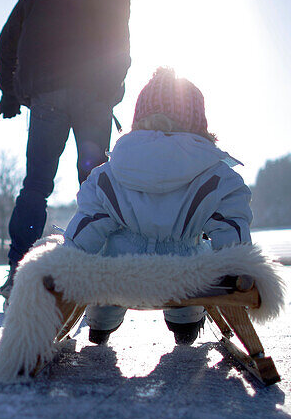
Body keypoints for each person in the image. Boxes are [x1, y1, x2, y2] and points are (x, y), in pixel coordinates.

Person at [61, 67, 253, 345]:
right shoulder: (219, 177)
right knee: (200, 252)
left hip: (119, 275)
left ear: (139, 118)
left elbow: (87, 229)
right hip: (185, 275)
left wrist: (65, 269)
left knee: (104, 248)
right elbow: (232, 236)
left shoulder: (107, 175)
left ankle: (101, 319)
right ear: (198, 120)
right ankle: (185, 319)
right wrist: (238, 276)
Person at [0, 0, 131, 300]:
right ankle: (96, 270)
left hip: (47, 98)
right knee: (95, 185)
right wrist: (111, 90)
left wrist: (10, 91)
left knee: (37, 184)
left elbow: (6, 42)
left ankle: (17, 273)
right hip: (93, 97)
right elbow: (121, 46)